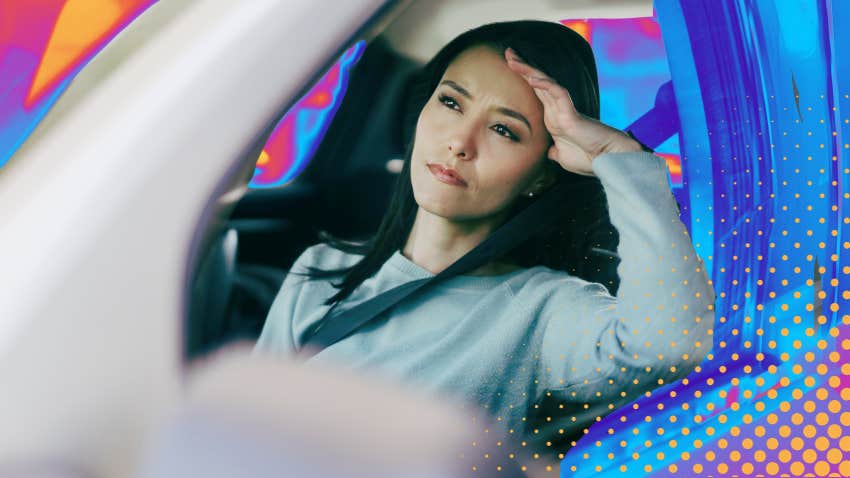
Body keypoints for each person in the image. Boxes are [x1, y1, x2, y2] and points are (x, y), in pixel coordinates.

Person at [254, 20, 715, 468]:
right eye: (452, 103)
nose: (460, 142)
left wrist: (616, 159)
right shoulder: (321, 270)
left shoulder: (541, 312)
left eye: (504, 130)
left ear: (539, 174)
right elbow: (243, 429)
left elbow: (669, 345)